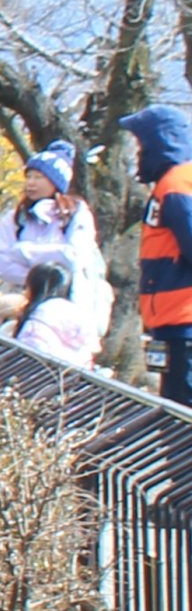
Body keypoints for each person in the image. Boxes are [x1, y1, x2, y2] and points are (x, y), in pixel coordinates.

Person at [0, 142, 109, 367]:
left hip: (69, 304)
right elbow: (3, 264)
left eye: (39, 177)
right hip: (20, 302)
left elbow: (75, 256)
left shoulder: (75, 214)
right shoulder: (16, 218)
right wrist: (42, 275)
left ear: (56, 182)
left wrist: (24, 252)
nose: (31, 183)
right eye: (29, 176)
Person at [123, 106, 192, 407]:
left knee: (182, 412)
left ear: (160, 142)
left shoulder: (178, 185)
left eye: (142, 145)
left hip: (185, 322)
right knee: (174, 408)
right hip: (171, 322)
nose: (139, 154)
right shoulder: (170, 185)